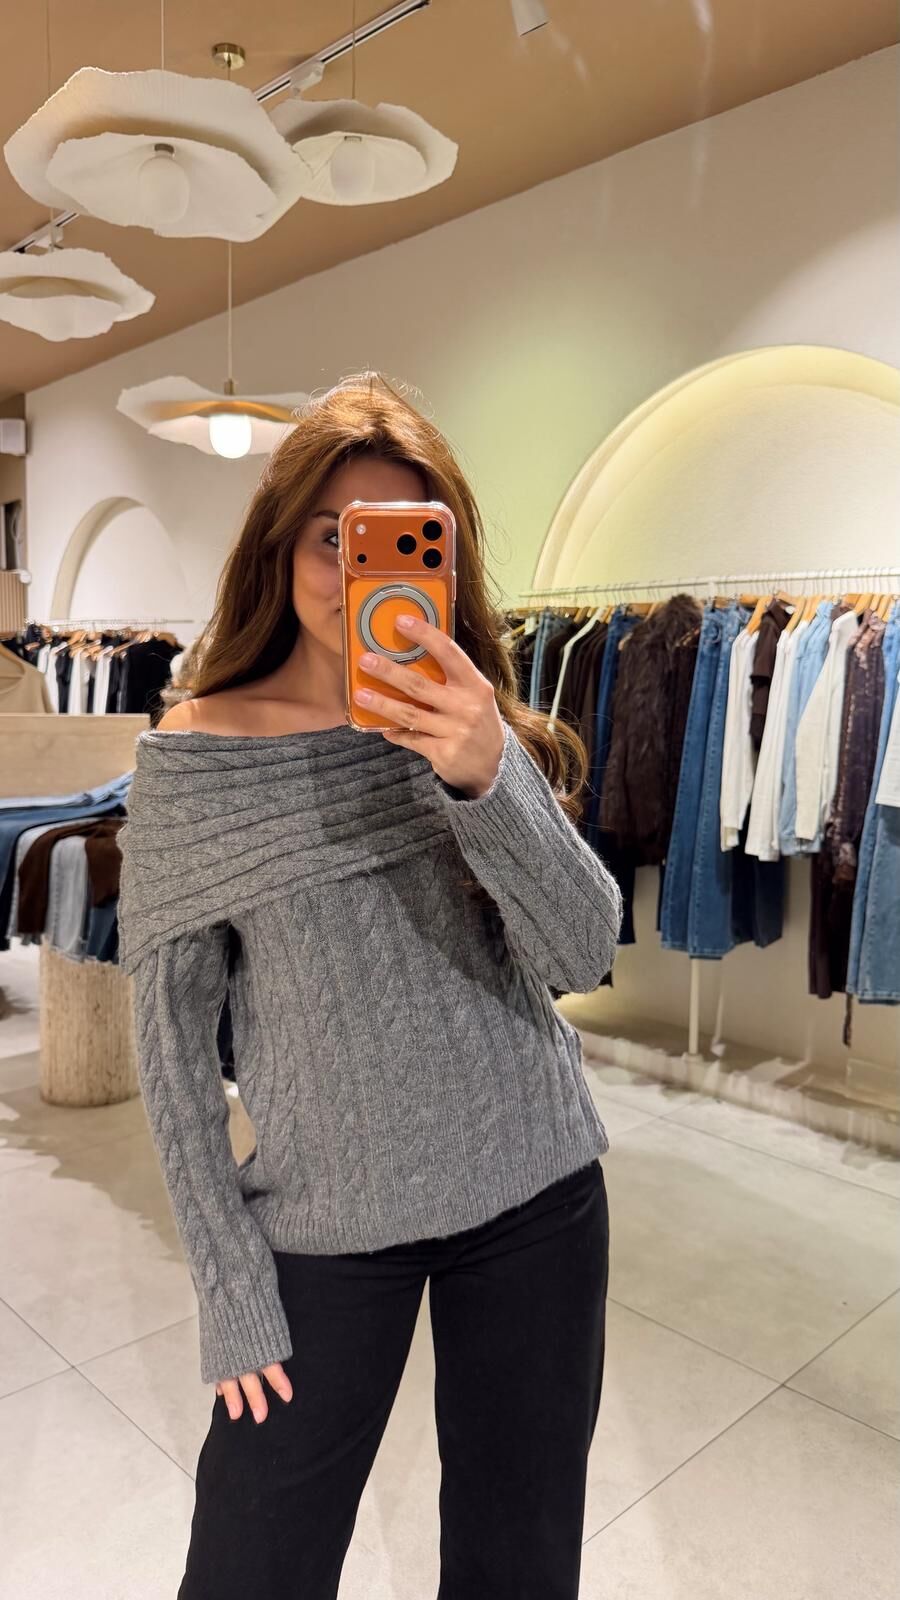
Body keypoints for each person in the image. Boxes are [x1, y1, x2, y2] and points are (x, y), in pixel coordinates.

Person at [116, 372, 623, 1600]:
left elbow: (585, 949)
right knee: (250, 1563)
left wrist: (487, 773)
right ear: (280, 547)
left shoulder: (473, 723)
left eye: (398, 539)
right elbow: (172, 1058)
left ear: (442, 558)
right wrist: (230, 1285)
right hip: (323, 1222)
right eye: (330, 539)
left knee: (518, 1564)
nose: (357, 572)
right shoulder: (193, 760)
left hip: (536, 1193)